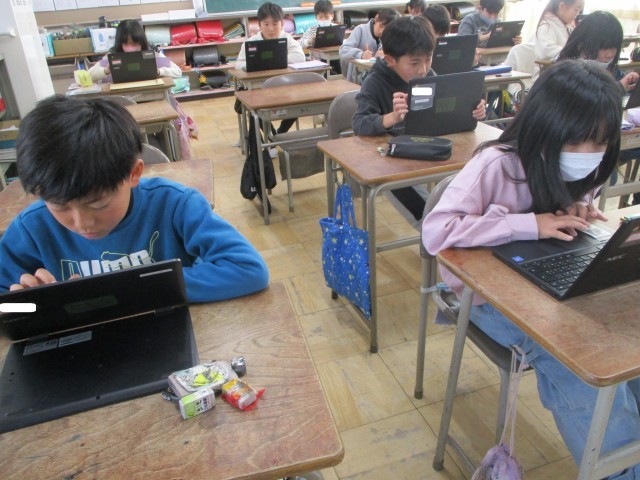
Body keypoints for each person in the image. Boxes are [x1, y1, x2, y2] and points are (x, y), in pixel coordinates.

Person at [423, 60, 640, 479]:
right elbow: (436, 232)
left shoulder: (586, 166)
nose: (588, 153)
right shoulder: (497, 165)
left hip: (547, 282)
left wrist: (579, 207)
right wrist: (528, 224)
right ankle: (620, 468)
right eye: (576, 140)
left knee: (623, 345)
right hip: (485, 301)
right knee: (575, 361)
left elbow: (574, 198)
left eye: (600, 141)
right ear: (545, 125)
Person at [0, 95, 270, 304]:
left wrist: (125, 288)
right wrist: (35, 304)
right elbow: (9, 308)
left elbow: (249, 270)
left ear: (134, 173)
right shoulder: (31, 227)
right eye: (60, 206)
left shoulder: (174, 204)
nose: (82, 223)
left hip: (163, 331)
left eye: (98, 203)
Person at [352, 16, 486, 229]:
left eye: (428, 59)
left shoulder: (428, 76)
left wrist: (472, 110)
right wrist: (390, 118)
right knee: (428, 215)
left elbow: (443, 110)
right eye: (414, 63)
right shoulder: (375, 82)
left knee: (466, 191)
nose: (423, 69)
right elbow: (359, 124)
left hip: (426, 151)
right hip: (390, 162)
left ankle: (453, 231)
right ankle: (436, 236)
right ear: (390, 60)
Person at [235, 2, 305, 135]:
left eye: (275, 24)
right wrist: (255, 64)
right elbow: (238, 64)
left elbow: (300, 57)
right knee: (255, 107)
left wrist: (273, 61)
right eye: (266, 24)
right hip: (259, 89)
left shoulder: (287, 38)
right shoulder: (251, 42)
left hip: (285, 88)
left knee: (300, 102)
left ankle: (280, 133)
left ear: (282, 24)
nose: (271, 29)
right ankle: (271, 136)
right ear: (259, 24)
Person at [557, 11, 639, 93]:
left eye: (615, 47)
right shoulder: (567, 73)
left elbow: (620, 80)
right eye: (603, 48)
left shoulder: (611, 68)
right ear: (581, 45)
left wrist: (630, 81)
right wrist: (619, 88)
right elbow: (589, 97)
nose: (610, 54)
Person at [88, 19, 182, 83]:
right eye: (126, 44)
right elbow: (88, 76)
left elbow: (178, 72)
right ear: (120, 43)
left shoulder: (152, 53)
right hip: (123, 98)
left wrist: (159, 71)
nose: (130, 48)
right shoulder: (113, 55)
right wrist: (106, 70)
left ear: (141, 42)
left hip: (149, 96)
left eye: (134, 44)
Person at [339, 8, 400, 83]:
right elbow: (343, 50)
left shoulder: (390, 36)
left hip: (379, 74)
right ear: (376, 18)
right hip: (358, 76)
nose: (381, 31)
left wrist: (386, 55)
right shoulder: (360, 30)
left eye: (386, 30)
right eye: (381, 26)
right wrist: (361, 54)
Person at [533, 0, 584, 80]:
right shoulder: (546, 25)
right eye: (576, 10)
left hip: (562, 72)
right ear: (562, 6)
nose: (577, 14)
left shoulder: (567, 25)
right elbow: (546, 51)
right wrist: (572, 51)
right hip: (547, 77)